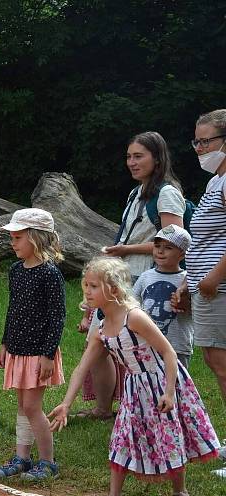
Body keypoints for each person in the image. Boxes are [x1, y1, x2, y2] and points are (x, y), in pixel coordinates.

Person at [49, 256, 219, 496]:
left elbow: (169, 353)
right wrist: (66, 403)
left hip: (162, 381)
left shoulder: (135, 317)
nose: (87, 291)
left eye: (93, 286)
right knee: (121, 441)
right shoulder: (102, 329)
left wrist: (170, 392)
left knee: (170, 435)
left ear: (114, 289)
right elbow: (82, 368)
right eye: (85, 286)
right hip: (134, 389)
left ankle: (180, 494)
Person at [76, 131, 186, 420]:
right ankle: (104, 408)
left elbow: (174, 241)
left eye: (139, 156)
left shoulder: (167, 193)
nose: (132, 162)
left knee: (138, 347)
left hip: (147, 280)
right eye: (129, 156)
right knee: (98, 340)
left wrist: (126, 248)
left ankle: (153, 405)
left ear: (157, 158)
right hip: (123, 278)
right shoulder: (136, 192)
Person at [0, 208, 65, 481]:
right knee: (23, 405)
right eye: (12, 238)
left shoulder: (49, 274)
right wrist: (4, 343)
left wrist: (48, 354)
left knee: (33, 406)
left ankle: (48, 462)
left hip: (38, 352)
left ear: (35, 238)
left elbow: (57, 316)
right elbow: (13, 309)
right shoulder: (15, 271)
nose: (13, 243)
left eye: (18, 237)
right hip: (17, 349)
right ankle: (22, 457)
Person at [174, 109, 226, 477]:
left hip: (220, 287)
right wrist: (188, 280)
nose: (199, 148)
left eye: (206, 140)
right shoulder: (215, 183)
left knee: (223, 364)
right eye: (197, 141)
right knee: (217, 363)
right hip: (206, 287)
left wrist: (212, 278)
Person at [132, 225, 193, 368]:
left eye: (168, 247)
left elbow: (198, 310)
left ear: (182, 254)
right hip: (146, 342)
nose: (160, 251)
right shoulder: (145, 276)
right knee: (147, 382)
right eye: (157, 246)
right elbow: (132, 303)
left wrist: (186, 304)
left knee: (177, 384)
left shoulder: (187, 280)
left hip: (176, 345)